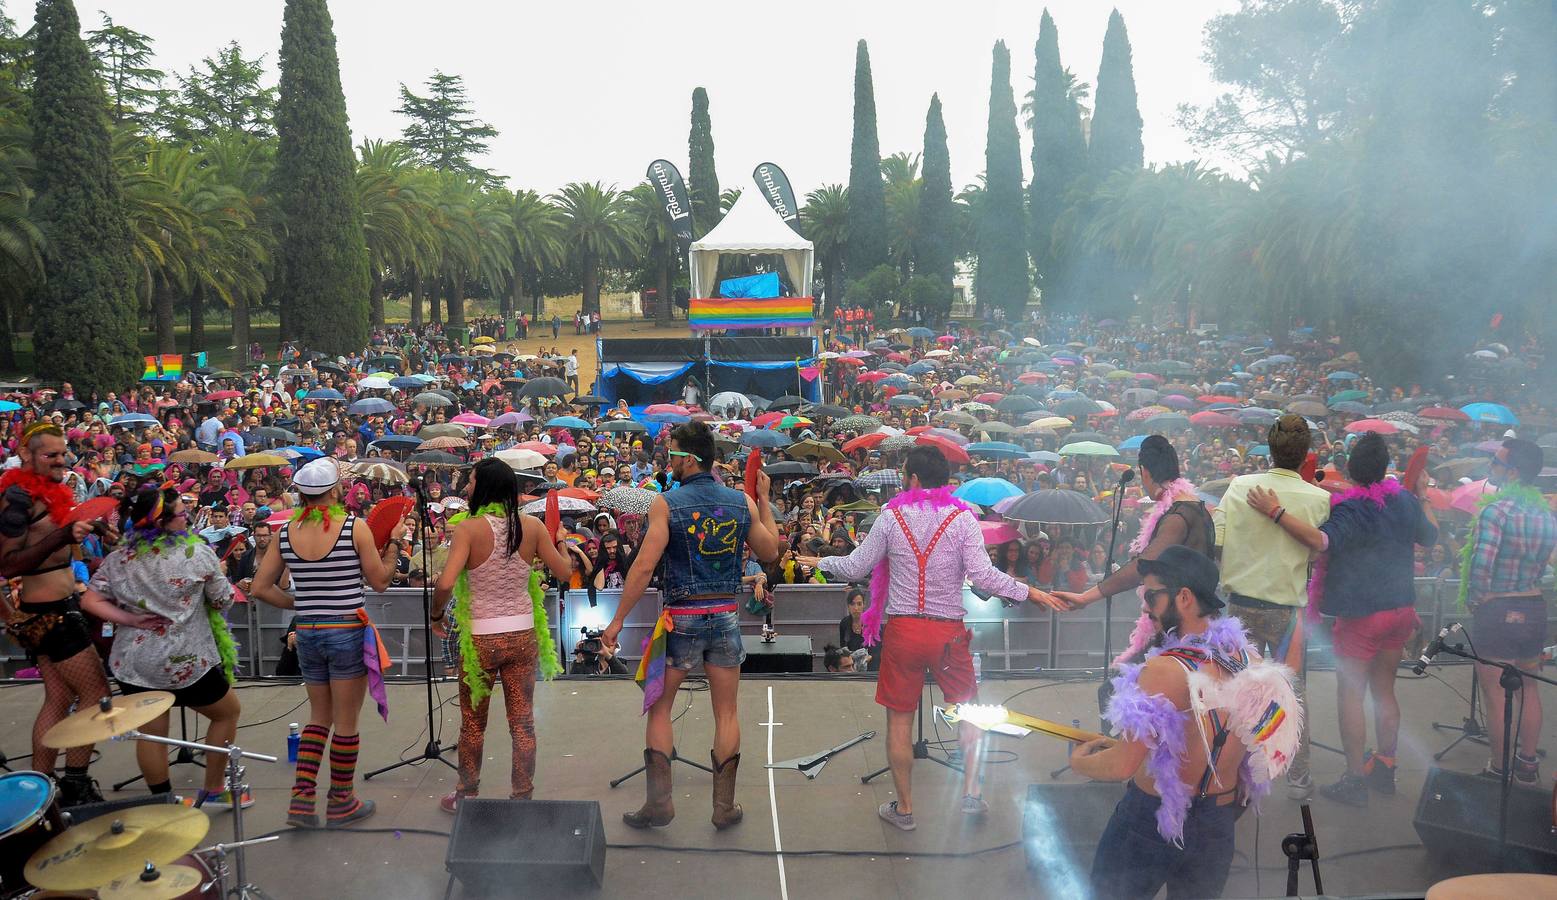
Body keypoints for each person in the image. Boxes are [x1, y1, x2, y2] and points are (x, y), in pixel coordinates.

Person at [798, 446, 1062, 829]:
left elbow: (855, 567)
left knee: (899, 722)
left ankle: (905, 809)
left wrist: (820, 561)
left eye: (904, 474)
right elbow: (984, 576)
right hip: (947, 633)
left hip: (904, 631)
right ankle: (972, 795)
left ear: (914, 478)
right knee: (969, 713)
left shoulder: (891, 517)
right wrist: (1030, 591)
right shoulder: (963, 518)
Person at [1073, 545, 1300, 900]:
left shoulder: (1164, 670)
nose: (1145, 607)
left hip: (1150, 821)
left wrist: (1079, 761)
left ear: (1183, 597)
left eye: (1151, 596)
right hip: (1217, 825)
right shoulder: (1251, 661)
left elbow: (1121, 766)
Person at [601, 421, 781, 830]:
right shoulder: (741, 502)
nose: (670, 461)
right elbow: (771, 550)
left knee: (660, 708)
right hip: (725, 615)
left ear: (690, 459)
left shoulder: (666, 504)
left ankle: (660, 804)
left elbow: (644, 566)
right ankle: (723, 807)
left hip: (680, 619)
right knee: (727, 712)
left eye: (674, 454)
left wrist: (618, 620)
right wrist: (763, 500)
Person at [1246, 432, 1438, 804]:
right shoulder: (1404, 500)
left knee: (1351, 694)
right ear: (1384, 467)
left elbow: (1320, 542)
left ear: (1350, 468)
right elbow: (1430, 536)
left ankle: (1354, 780)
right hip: (1401, 610)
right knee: (1384, 689)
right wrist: (1423, 494)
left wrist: (1276, 511)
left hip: (1362, 616)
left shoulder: (1350, 509)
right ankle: (1386, 767)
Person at [0, 423, 162, 806]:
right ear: (25, 454)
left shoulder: (49, 490)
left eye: (63, 453)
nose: (61, 460)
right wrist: (61, 536)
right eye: (51, 454)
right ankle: (75, 784)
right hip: (51, 614)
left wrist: (89, 530)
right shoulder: (17, 499)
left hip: (56, 607)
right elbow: (7, 564)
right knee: (96, 694)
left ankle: (40, 791)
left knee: (58, 698)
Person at [251, 457, 406, 828]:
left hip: (307, 632)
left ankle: (301, 802)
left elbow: (259, 587)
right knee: (346, 722)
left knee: (318, 718)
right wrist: (394, 544)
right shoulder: (354, 527)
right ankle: (341, 801)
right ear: (335, 491)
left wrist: (300, 604)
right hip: (346, 630)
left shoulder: (285, 532)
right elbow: (380, 581)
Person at [90, 483, 247, 808]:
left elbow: (90, 599)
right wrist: (218, 573)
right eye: (180, 514)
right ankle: (214, 790)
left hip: (135, 662)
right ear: (160, 522)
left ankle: (163, 803)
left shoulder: (120, 558)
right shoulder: (197, 554)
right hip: (184, 661)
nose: (187, 518)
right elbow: (223, 601)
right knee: (227, 712)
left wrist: (129, 619)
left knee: (152, 732)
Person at [431, 459, 573, 813]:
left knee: (473, 723)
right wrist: (562, 543)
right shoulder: (532, 526)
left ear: (484, 487)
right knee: (523, 722)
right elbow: (564, 572)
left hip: (480, 639)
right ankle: (522, 797)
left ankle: (466, 794)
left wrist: (435, 614)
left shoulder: (468, 529)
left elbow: (446, 583)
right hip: (522, 636)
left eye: (471, 481)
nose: (466, 487)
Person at [1211, 415, 1330, 799]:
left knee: (1234, 691)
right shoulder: (1319, 498)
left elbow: (1217, 544)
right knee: (1291, 694)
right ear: (1306, 453)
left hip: (1240, 608)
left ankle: (1227, 774)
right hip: (1286, 613)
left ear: (1269, 448)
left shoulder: (1240, 486)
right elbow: (1318, 551)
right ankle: (1298, 777)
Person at [1052, 436, 1213, 665]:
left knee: (1131, 679)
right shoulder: (1192, 506)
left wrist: (1087, 597)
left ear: (1144, 472)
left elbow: (1144, 565)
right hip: (1186, 617)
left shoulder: (1179, 514)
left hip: (1179, 623)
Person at [1455, 438, 1556, 783]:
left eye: (1496, 462)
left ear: (1512, 472)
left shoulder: (1495, 511)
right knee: (1529, 687)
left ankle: (1499, 768)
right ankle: (1527, 764)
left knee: (1497, 694)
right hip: (1535, 607)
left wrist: (1476, 600)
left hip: (1499, 610)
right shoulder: (1545, 513)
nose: (1491, 467)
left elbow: (1480, 566)